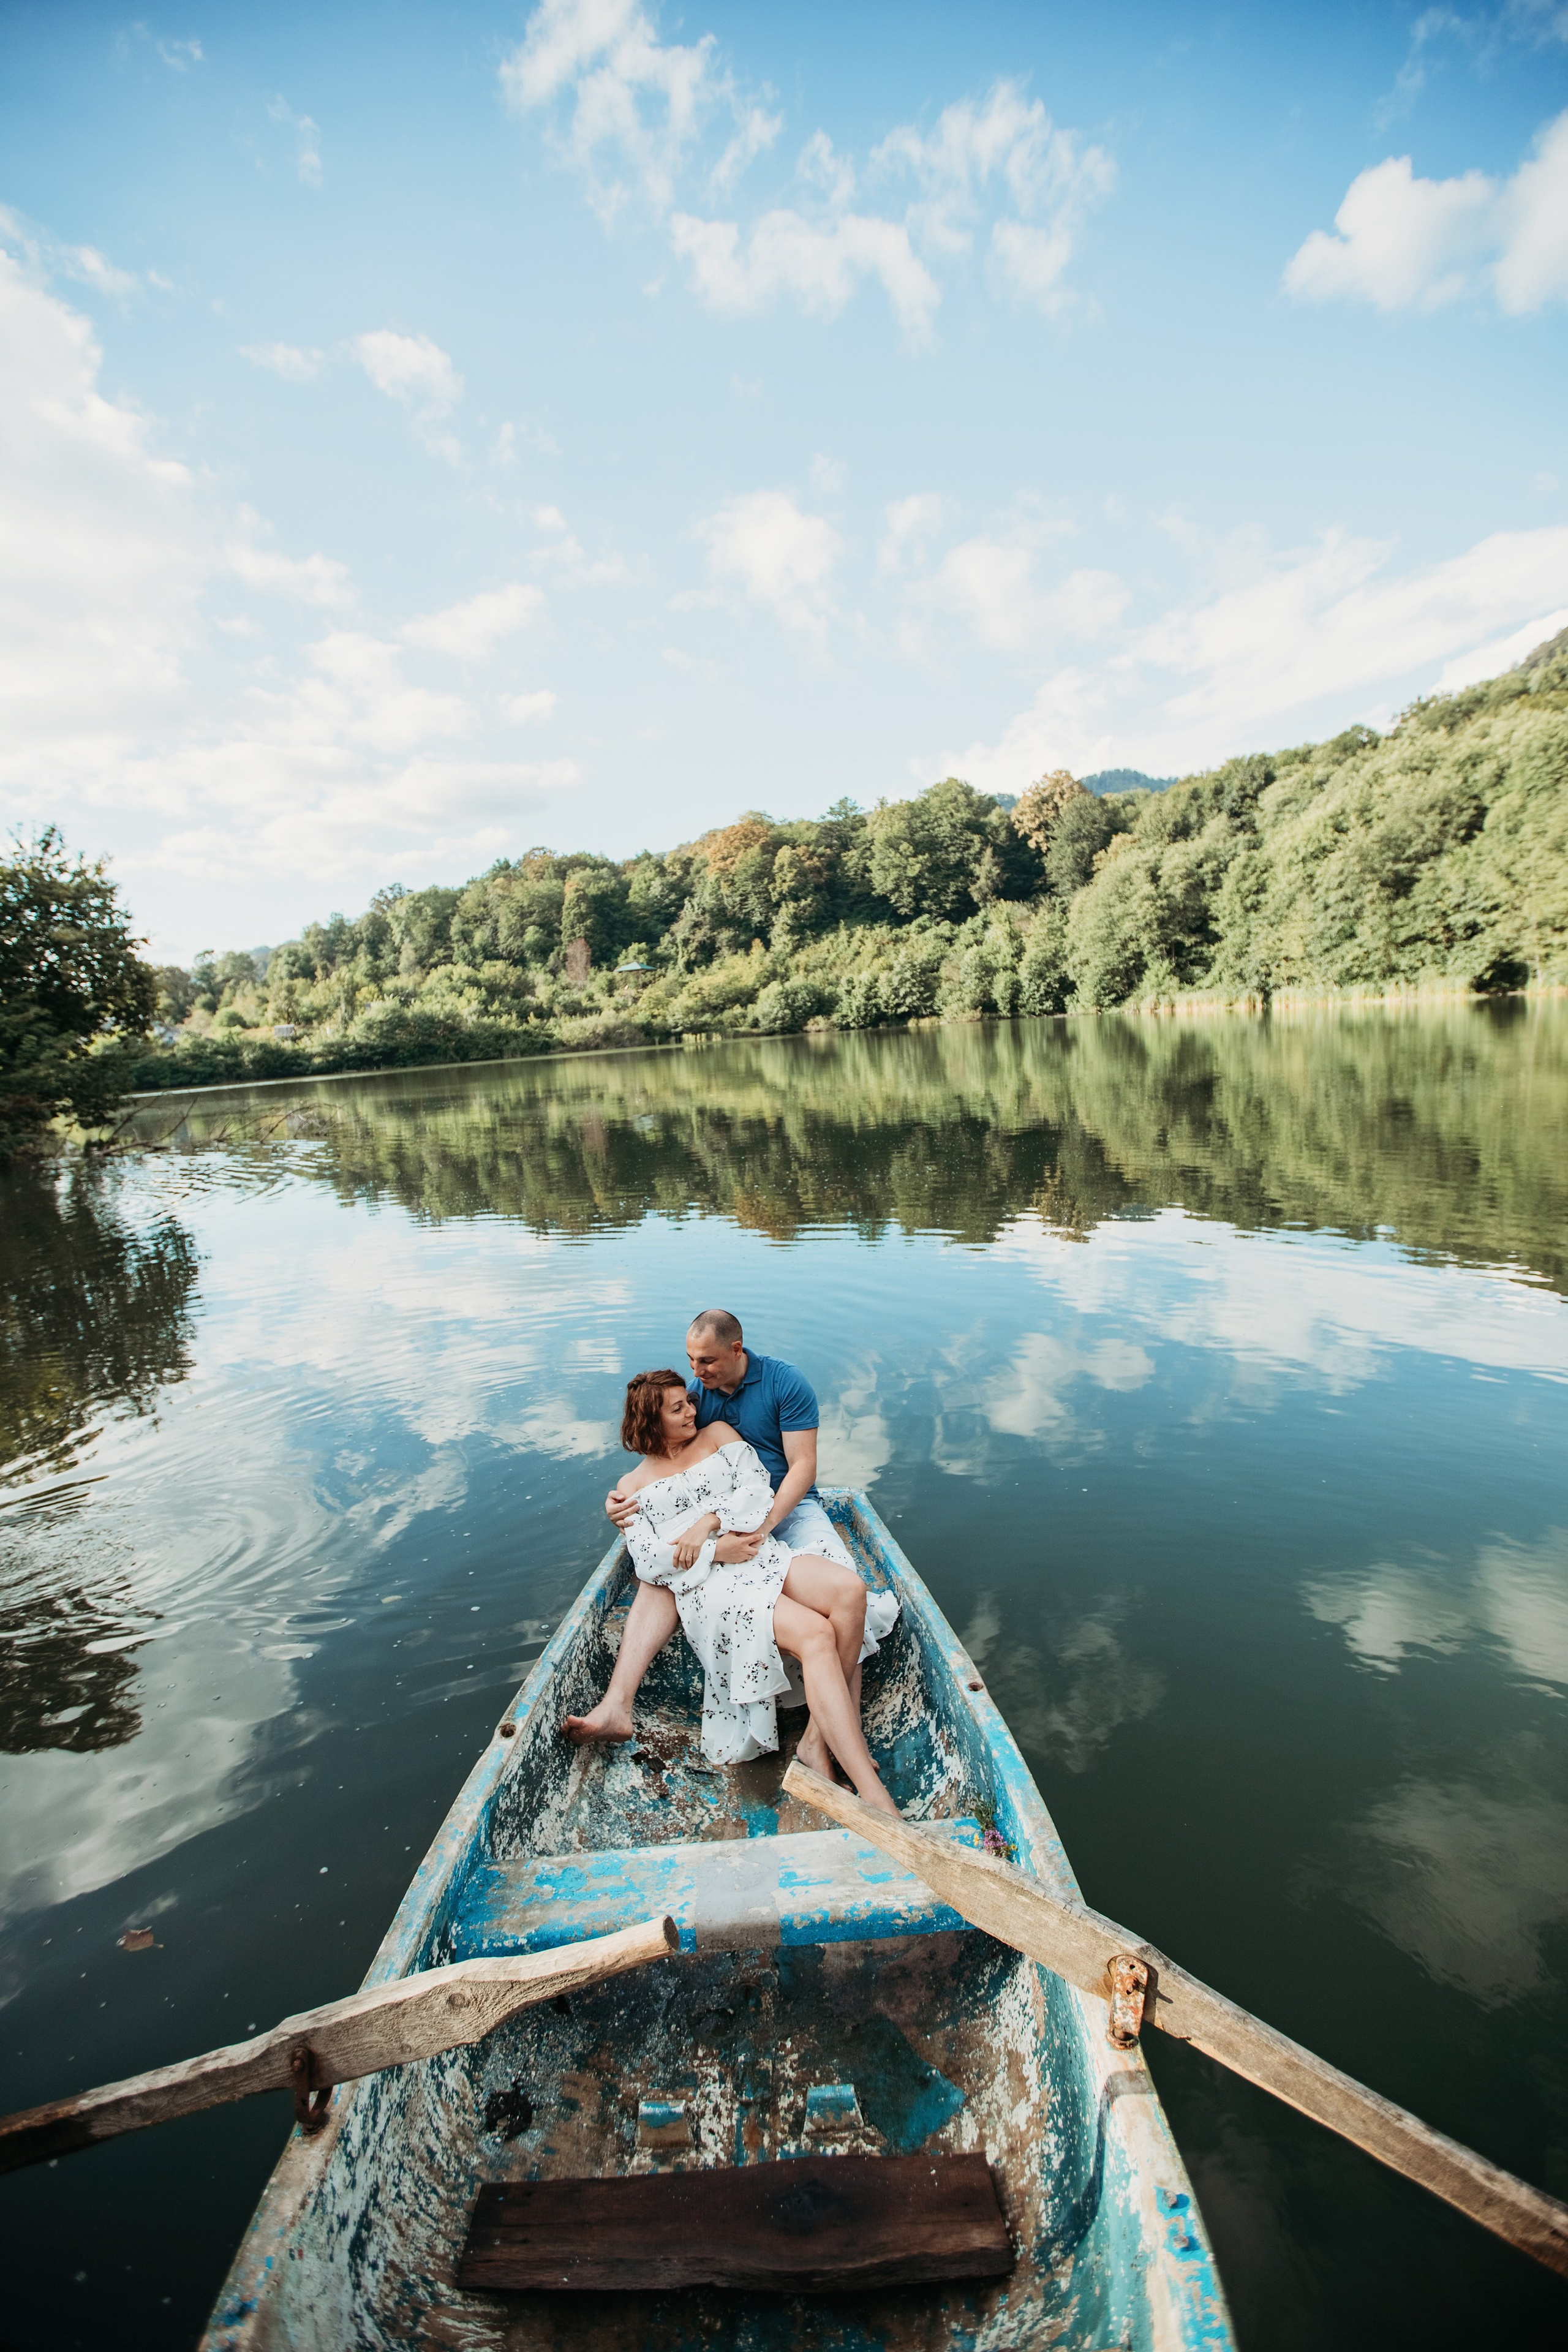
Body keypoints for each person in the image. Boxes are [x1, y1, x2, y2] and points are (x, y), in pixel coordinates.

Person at [563, 1309, 896, 1779]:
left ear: (736, 1351)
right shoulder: (696, 1396)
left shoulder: (785, 1383)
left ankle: (830, 1738)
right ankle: (618, 1703)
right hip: (723, 1528)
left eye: (707, 1363)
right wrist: (619, 1506)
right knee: (658, 1580)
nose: (697, 1378)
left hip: (791, 1509)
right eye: (691, 1362)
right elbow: (658, 1456)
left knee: (845, 1596)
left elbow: (802, 1467)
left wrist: (760, 1525)